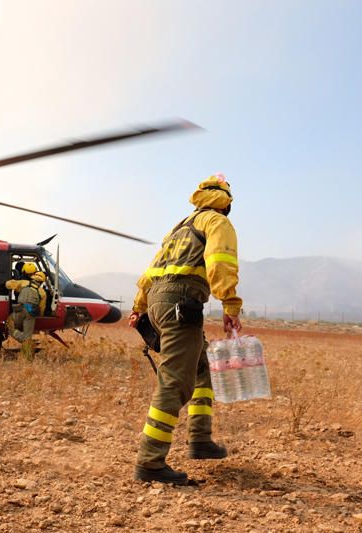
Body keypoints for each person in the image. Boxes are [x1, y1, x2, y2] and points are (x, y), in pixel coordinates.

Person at [128, 173, 243, 485]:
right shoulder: (217, 223)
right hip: (182, 304)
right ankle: (150, 462)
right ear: (227, 203)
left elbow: (151, 271)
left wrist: (139, 306)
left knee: (201, 370)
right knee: (175, 383)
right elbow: (220, 263)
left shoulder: (178, 228)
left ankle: (200, 439)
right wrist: (230, 304)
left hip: (159, 303)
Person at [5, 264, 47, 359]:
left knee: (9, 324)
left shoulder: (24, 283)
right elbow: (42, 308)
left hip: (19, 311)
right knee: (28, 335)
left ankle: (25, 339)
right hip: (30, 315)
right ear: (41, 282)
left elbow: (8, 284)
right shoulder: (42, 292)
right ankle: (28, 357)